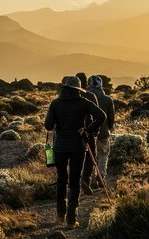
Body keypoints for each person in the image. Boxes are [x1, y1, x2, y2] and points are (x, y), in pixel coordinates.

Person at [45, 76, 106, 229]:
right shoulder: (84, 103)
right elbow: (102, 116)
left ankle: (60, 216)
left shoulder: (55, 103)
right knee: (74, 182)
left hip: (60, 147)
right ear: (78, 89)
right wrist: (88, 130)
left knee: (61, 181)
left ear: (65, 87)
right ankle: (71, 220)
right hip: (78, 147)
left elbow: (48, 126)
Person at [87, 76, 115, 185]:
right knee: (103, 154)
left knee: (90, 156)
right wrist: (109, 127)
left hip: (88, 131)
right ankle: (101, 175)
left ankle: (91, 179)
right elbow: (111, 118)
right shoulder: (108, 99)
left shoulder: (84, 97)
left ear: (89, 84)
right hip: (103, 132)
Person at [75, 73, 99, 195]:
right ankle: (85, 180)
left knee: (74, 156)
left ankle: (75, 180)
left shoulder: (71, 96)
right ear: (87, 83)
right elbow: (98, 115)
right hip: (88, 130)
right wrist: (94, 130)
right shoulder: (91, 96)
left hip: (73, 131)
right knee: (91, 156)